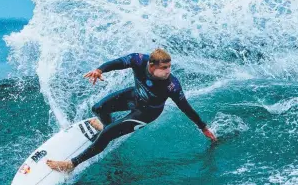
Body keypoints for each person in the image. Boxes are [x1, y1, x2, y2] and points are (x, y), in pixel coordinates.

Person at [47, 48, 217, 173]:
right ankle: (108, 126)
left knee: (106, 135)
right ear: (151, 66)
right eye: (164, 68)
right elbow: (118, 63)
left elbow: (186, 108)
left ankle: (71, 165)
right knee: (98, 108)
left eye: (169, 67)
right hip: (134, 97)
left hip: (146, 113)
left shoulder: (172, 85)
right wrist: (99, 70)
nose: (168, 71)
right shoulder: (139, 60)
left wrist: (203, 127)